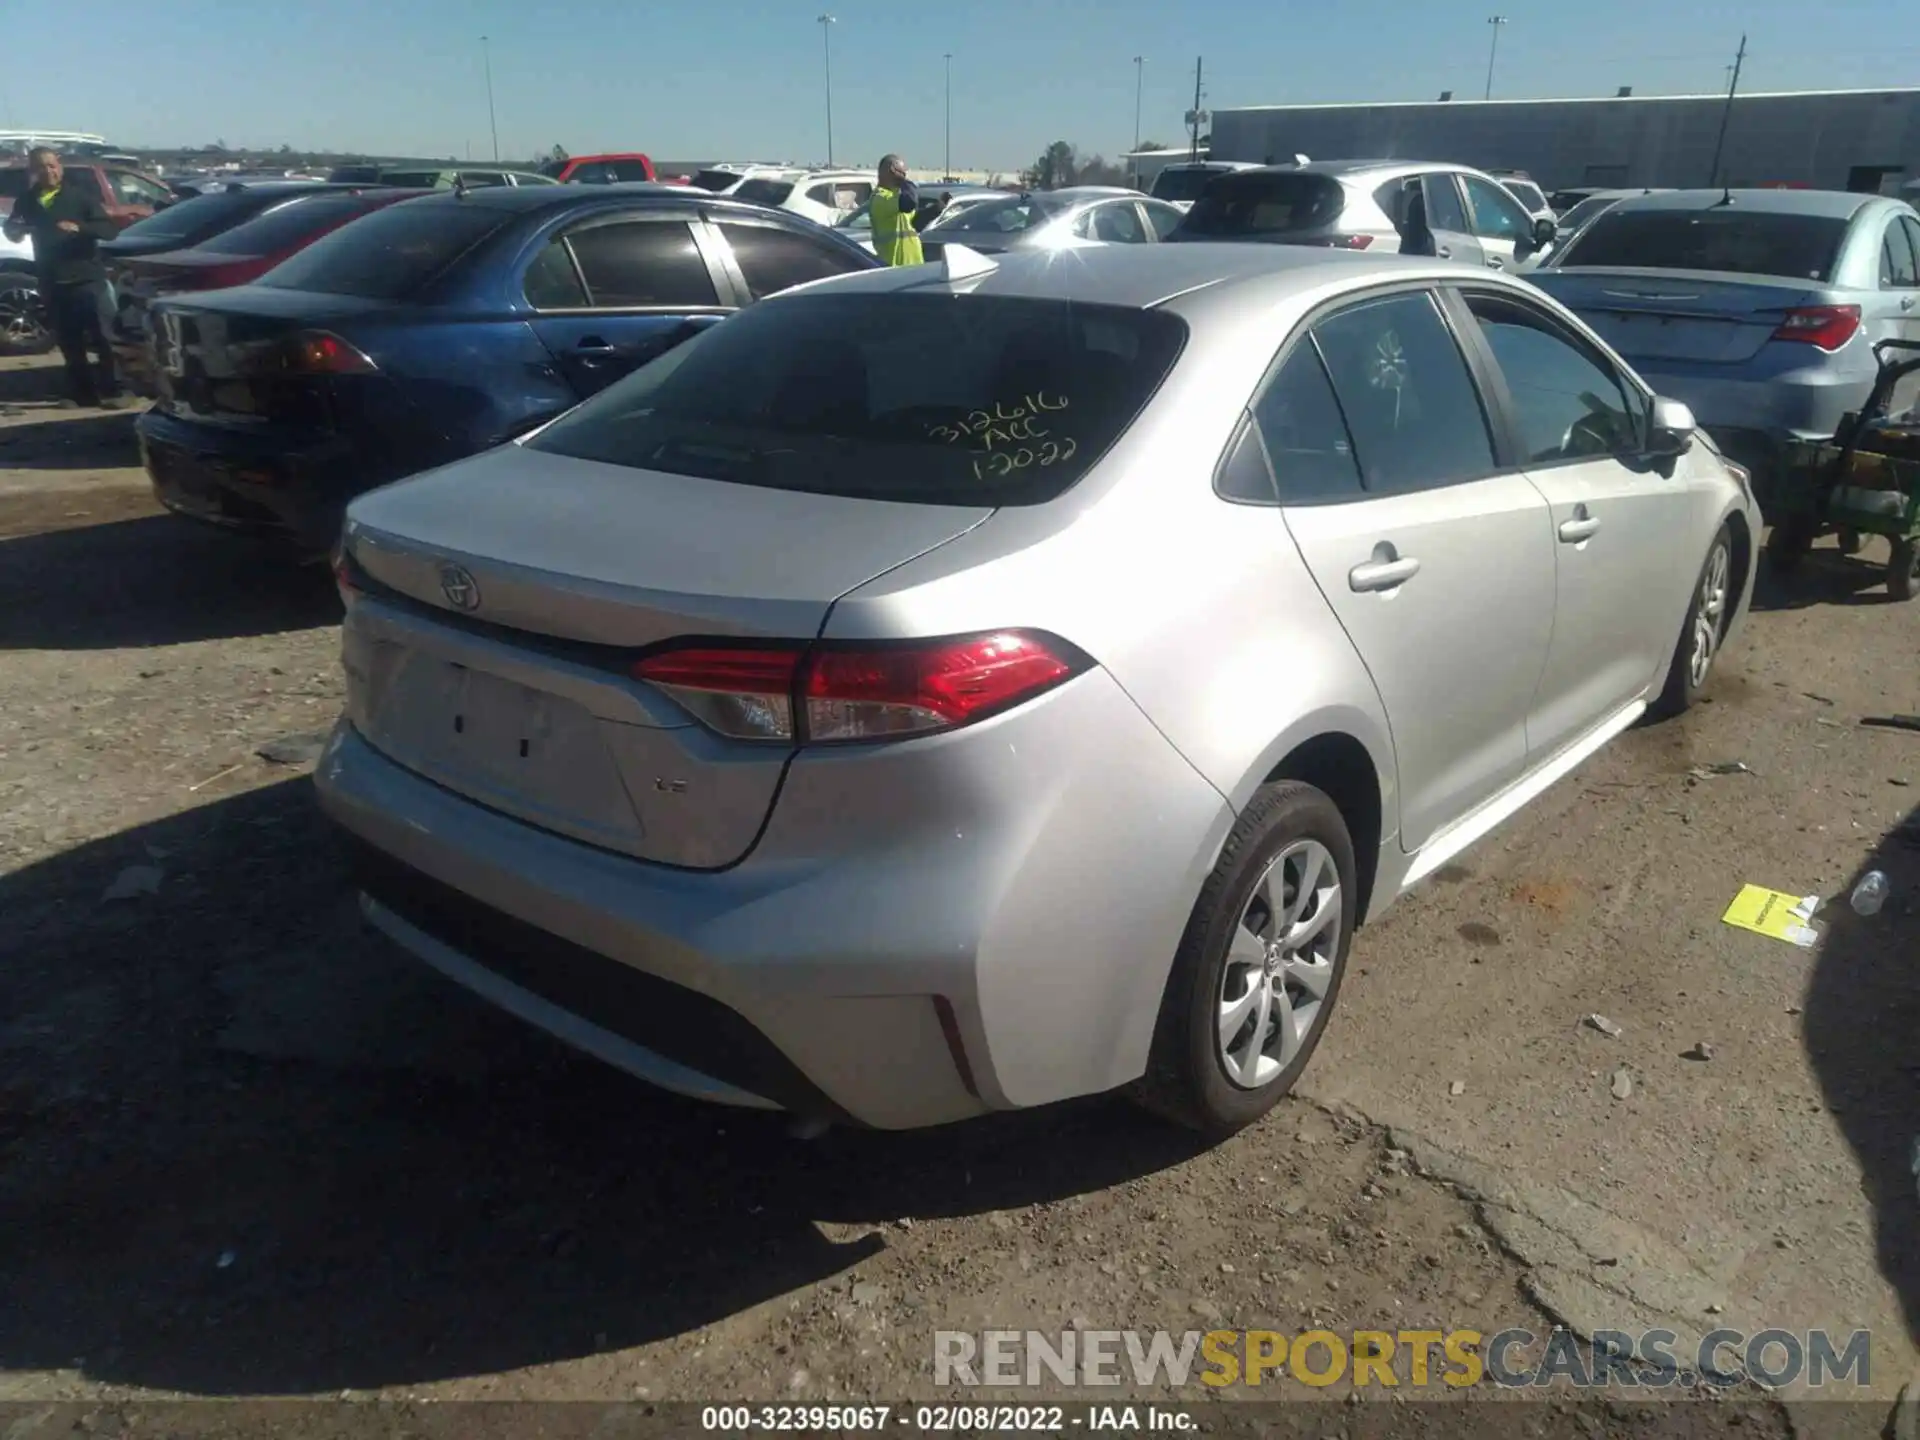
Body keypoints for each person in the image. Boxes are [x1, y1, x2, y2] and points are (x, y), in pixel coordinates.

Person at [2, 147, 123, 408]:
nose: (49, 171)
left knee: (103, 337)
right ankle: (82, 393)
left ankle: (114, 390)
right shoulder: (27, 200)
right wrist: (14, 231)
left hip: (87, 278)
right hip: (52, 278)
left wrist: (79, 228)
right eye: (41, 167)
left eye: (52, 165)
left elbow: (109, 231)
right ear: (33, 171)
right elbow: (13, 226)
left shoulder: (80, 197)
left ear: (61, 166)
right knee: (70, 341)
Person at [869, 154, 947, 266]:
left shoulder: (895, 196)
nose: (904, 175)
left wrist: (936, 209)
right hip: (894, 267)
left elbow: (914, 224)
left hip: (914, 265)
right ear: (891, 171)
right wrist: (904, 181)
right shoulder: (880, 198)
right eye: (901, 172)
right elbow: (910, 202)